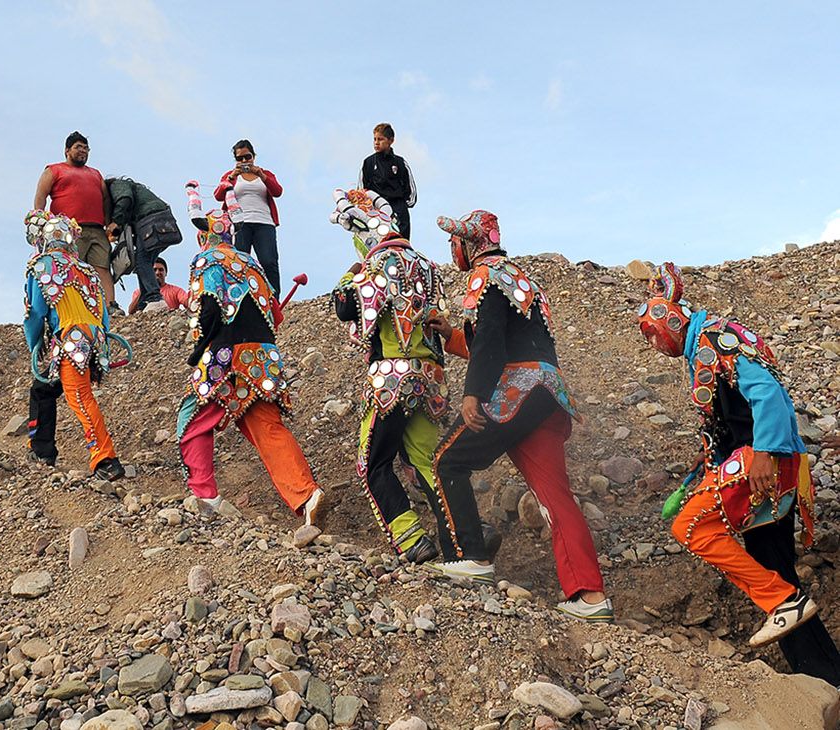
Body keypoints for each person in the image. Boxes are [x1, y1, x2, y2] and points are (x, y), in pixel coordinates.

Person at [638, 264, 838, 675]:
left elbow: (766, 392)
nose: (656, 344)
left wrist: (764, 450)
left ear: (670, 318)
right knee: (773, 563)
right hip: (766, 462)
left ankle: (784, 607)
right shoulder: (705, 345)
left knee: (690, 526)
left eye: (654, 333)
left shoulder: (713, 337)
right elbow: (736, 411)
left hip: (764, 462)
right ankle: (823, 674)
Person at [425, 209, 611, 622]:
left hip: (515, 391)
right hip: (548, 394)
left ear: (467, 244)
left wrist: (473, 393)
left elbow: (491, 340)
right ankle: (590, 596)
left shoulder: (484, 276)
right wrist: (453, 336)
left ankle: (469, 556)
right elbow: (512, 341)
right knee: (555, 496)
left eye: (454, 243)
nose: (452, 251)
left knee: (446, 460)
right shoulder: (523, 279)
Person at [329, 189, 499, 563]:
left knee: (372, 463)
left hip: (391, 377)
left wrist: (349, 275)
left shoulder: (377, 264)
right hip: (430, 377)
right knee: (427, 460)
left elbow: (346, 306)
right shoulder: (425, 265)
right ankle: (470, 531)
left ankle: (410, 538)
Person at [177, 180, 325, 524]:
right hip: (264, 356)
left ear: (204, 236)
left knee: (192, 420)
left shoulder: (206, 261)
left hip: (225, 355)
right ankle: (306, 494)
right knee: (265, 425)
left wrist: (199, 346)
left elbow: (208, 309)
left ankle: (205, 496)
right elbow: (275, 314)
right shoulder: (254, 266)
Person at [23, 209, 127, 481]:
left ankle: (106, 459)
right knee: (43, 389)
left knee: (79, 397)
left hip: (70, 339)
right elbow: (104, 313)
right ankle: (41, 448)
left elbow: (35, 313)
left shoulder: (42, 265)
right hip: (95, 339)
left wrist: (34, 345)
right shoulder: (88, 271)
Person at [34, 132, 117, 315]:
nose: (83, 151)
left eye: (86, 148)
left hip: (96, 228)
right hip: (67, 229)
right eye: (78, 147)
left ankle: (110, 306)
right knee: (70, 267)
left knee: (102, 266)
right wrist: (41, 222)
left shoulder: (95, 174)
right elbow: (41, 196)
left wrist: (108, 222)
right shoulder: (54, 170)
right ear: (67, 150)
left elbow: (105, 200)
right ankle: (72, 308)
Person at [213, 139, 283, 293]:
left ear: (253, 156)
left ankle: (274, 299)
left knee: (268, 261)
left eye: (247, 157)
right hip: (239, 224)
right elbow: (218, 196)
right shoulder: (230, 176)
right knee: (238, 261)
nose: (244, 161)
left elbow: (277, 191)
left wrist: (260, 174)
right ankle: (240, 296)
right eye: (240, 158)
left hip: (264, 221)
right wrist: (232, 176)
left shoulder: (265, 174)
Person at [105, 176, 182, 312]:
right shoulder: (136, 189)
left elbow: (125, 198)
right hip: (159, 220)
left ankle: (155, 299)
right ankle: (144, 303)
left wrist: (115, 221)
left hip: (150, 220)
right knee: (144, 262)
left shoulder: (117, 184)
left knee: (142, 262)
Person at [358, 123, 417, 238]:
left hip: (399, 212)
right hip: (377, 214)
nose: (376, 142)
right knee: (380, 246)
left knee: (401, 246)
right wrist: (368, 210)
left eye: (380, 139)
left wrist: (402, 206)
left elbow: (411, 190)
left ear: (391, 140)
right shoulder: (368, 163)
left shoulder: (400, 162)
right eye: (374, 139)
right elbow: (362, 192)